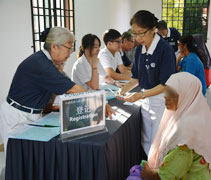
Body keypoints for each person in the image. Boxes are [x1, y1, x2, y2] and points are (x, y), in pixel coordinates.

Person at [0, 27, 114, 150]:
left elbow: (67, 87)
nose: (71, 52)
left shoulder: (47, 62)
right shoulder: (41, 64)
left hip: (32, 114)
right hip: (17, 116)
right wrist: (101, 103)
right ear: (54, 47)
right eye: (69, 47)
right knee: (17, 158)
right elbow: (73, 89)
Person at [118, 10, 176, 155]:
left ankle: (158, 172)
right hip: (146, 100)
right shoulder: (139, 50)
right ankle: (148, 169)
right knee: (146, 139)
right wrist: (123, 90)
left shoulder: (165, 50)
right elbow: (136, 78)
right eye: (134, 33)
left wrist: (140, 95)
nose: (138, 38)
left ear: (153, 29)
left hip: (162, 101)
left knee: (159, 139)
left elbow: (165, 85)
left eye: (141, 33)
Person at [140, 72, 211, 180]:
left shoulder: (186, 131)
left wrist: (148, 174)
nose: (166, 98)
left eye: (173, 94)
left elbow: (168, 175)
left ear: (187, 95)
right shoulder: (200, 116)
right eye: (167, 92)